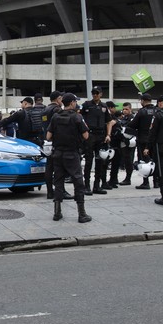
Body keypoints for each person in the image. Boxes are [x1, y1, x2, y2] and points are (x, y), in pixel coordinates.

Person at [45, 93, 91, 223]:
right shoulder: (77, 117)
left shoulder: (55, 116)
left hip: (58, 154)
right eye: (75, 102)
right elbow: (86, 136)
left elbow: (48, 136)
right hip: (72, 154)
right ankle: (81, 214)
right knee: (78, 182)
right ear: (71, 103)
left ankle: (57, 212)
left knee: (58, 181)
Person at [79, 86, 114, 195]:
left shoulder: (104, 107)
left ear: (101, 94)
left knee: (100, 161)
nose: (95, 95)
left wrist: (108, 135)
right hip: (90, 135)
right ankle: (87, 186)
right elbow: (79, 117)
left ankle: (97, 186)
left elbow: (109, 122)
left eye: (97, 93)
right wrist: (84, 132)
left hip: (101, 136)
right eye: (93, 93)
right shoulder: (86, 105)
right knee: (89, 161)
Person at [130, 94, 158, 189]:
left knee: (143, 161)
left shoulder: (142, 112)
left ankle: (146, 182)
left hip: (143, 139)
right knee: (154, 160)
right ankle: (156, 181)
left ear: (143, 100)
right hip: (154, 140)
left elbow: (133, 124)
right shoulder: (157, 111)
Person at [42, 91, 64, 199]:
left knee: (49, 167)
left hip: (46, 142)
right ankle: (61, 191)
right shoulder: (57, 110)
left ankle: (49, 191)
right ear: (58, 99)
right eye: (61, 99)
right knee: (59, 167)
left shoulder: (45, 110)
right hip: (56, 141)